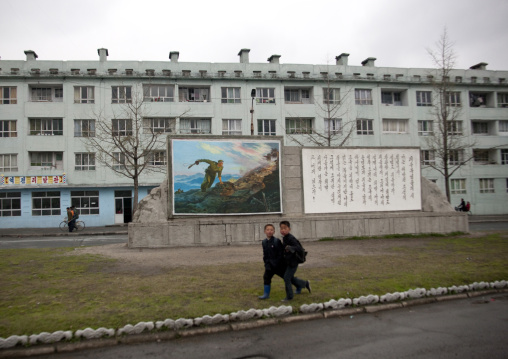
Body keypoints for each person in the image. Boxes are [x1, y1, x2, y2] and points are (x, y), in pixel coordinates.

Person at [258, 224, 301, 300]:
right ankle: (266, 294)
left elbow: (280, 254)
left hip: (278, 266)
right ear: (265, 231)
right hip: (269, 266)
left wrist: (276, 263)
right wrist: (266, 263)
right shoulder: (264, 242)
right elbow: (265, 254)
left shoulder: (276, 241)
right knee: (266, 277)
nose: (269, 231)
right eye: (267, 230)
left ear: (274, 231)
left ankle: (300, 285)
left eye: (271, 230)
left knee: (288, 278)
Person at [280, 220, 311, 301]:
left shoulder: (291, 238)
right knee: (290, 277)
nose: (283, 230)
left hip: (293, 262)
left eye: (285, 228)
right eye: (281, 228)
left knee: (287, 278)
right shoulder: (285, 238)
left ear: (289, 229)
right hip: (288, 261)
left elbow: (299, 248)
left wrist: (290, 248)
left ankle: (289, 297)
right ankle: (305, 284)